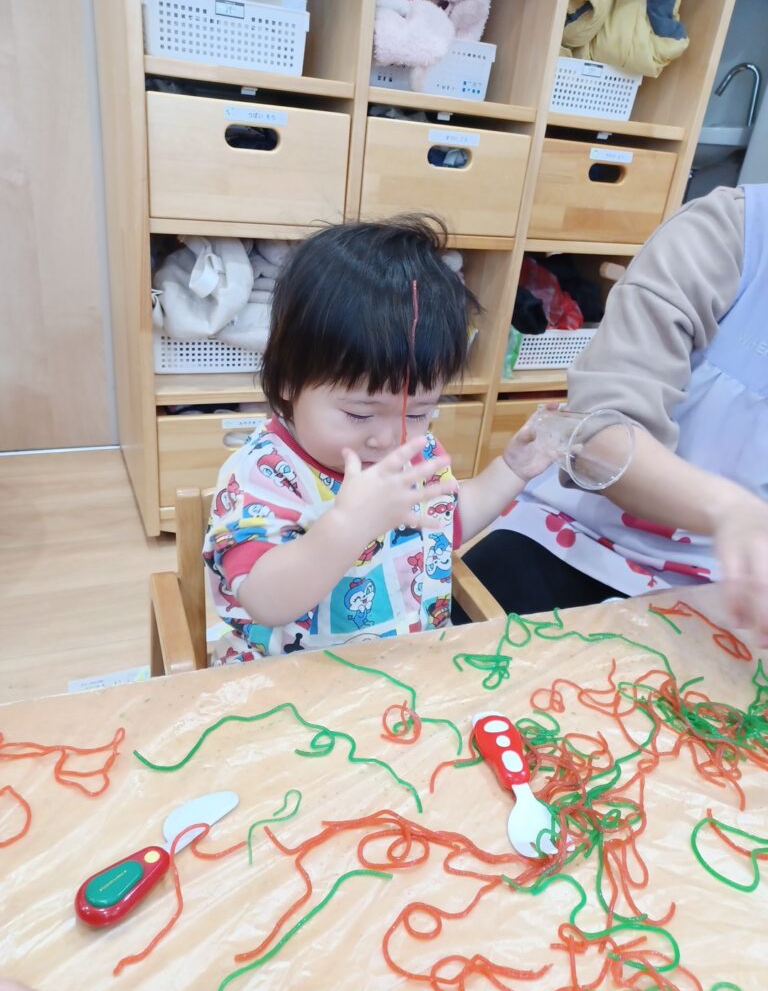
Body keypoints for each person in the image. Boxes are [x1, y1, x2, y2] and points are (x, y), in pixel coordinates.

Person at [204, 216, 554, 662]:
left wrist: (512, 470)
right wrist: (347, 526)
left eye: (419, 412)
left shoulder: (412, 452)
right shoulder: (264, 473)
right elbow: (265, 602)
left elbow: (445, 524)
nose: (389, 438)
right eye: (359, 413)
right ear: (289, 381)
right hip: (291, 676)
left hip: (404, 663)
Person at [460, 184, 768, 642]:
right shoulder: (731, 233)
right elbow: (600, 438)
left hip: (732, 591)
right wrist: (732, 512)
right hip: (579, 540)